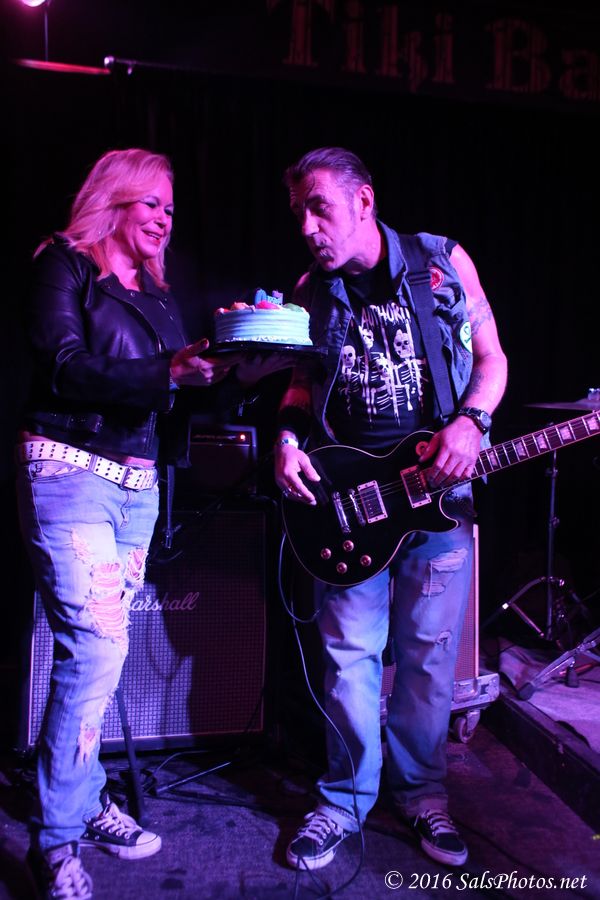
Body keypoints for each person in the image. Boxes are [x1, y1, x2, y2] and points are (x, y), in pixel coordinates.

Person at [15, 147, 277, 900]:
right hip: (71, 471)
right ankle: (55, 839)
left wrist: (239, 376)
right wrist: (167, 371)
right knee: (95, 648)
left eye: (171, 207)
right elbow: (62, 365)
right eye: (153, 203)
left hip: (137, 487)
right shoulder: (65, 265)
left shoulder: (159, 298)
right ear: (115, 200)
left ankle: (86, 797)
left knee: (106, 653)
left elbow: (180, 399)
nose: (166, 218)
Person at [274, 147, 508, 871]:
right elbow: (300, 382)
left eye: (319, 207)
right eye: (299, 213)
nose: (308, 227)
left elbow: (493, 359)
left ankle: (423, 795)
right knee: (349, 662)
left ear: (364, 200)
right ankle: (344, 799)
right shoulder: (311, 290)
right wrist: (286, 439)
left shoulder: (440, 262)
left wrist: (471, 421)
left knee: (428, 660)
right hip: (351, 506)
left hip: (437, 501)